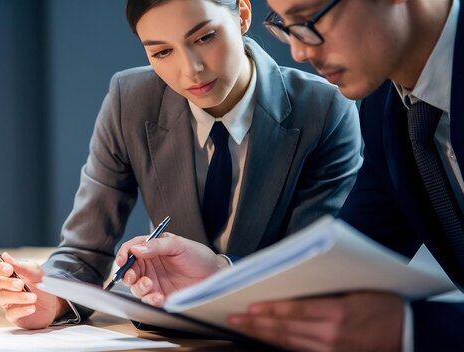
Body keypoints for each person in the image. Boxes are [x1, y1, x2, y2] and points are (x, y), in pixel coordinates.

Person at [0, 0, 361, 331]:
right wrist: (53, 297)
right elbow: (84, 250)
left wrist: (223, 272)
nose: (191, 70)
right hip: (166, 334)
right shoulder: (130, 99)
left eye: (205, 37)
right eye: (162, 52)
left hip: (272, 334)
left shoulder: (325, 109)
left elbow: (316, 269)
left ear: (243, 15)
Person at [119, 0, 464, 350]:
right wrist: (222, 276)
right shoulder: (387, 109)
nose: (298, 51)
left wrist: (412, 329)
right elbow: (344, 267)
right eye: (284, 25)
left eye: (309, 19)